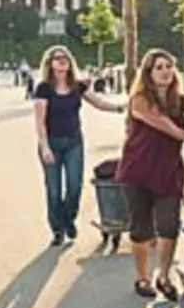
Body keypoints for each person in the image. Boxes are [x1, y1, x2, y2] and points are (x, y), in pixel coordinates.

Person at [116, 49, 184, 300]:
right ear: (148, 73)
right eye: (159, 67)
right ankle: (142, 277)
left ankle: (164, 276)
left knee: (169, 225)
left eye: (169, 66)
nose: (166, 71)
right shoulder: (139, 100)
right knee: (141, 228)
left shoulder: (179, 98)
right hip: (138, 170)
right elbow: (171, 130)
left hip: (168, 170)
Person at [33, 45, 127, 246]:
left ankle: (68, 219)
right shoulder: (44, 88)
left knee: (75, 186)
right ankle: (58, 229)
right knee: (54, 190)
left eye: (65, 58)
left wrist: (119, 108)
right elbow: (40, 122)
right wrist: (44, 147)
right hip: (51, 143)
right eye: (57, 58)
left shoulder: (78, 86)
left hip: (74, 142)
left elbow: (98, 103)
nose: (62, 61)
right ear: (50, 64)